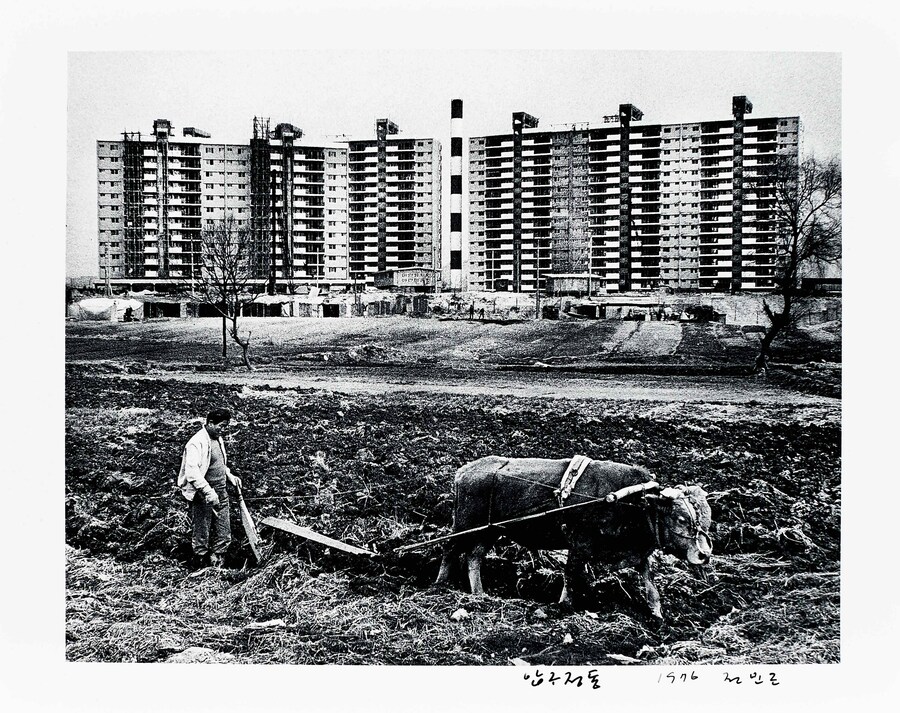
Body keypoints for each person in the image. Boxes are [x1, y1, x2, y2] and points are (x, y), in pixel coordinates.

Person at [177, 408, 242, 568]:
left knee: (224, 531)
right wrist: (208, 492)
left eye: (227, 426)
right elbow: (192, 473)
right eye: (222, 426)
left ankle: (218, 563)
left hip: (221, 492)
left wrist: (229, 475)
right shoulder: (196, 443)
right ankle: (200, 564)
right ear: (210, 423)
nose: (224, 430)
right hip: (203, 495)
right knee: (202, 531)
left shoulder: (217, 439)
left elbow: (217, 463)